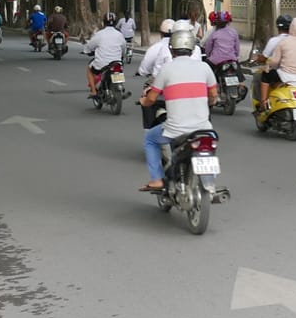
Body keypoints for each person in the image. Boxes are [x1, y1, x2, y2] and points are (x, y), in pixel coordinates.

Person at [138, 27, 218, 192]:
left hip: (175, 129)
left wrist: (143, 101)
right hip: (204, 130)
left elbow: (152, 98)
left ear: (171, 48)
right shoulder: (205, 68)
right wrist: (208, 103)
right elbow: (213, 96)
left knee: (150, 140)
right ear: (193, 48)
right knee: (209, 147)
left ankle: (157, 180)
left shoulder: (166, 69)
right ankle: (209, 182)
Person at [257, 16, 296, 109]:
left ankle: (263, 102)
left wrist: (268, 66)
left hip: (286, 76)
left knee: (265, 75)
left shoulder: (284, 42)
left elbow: (275, 61)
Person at [82, 12, 127, 95]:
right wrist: (122, 56)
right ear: (116, 23)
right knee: (119, 69)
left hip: (102, 64)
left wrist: (86, 51)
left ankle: (93, 91)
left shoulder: (99, 34)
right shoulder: (120, 35)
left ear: (103, 22)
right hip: (117, 62)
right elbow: (124, 48)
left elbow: (90, 46)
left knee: (89, 69)